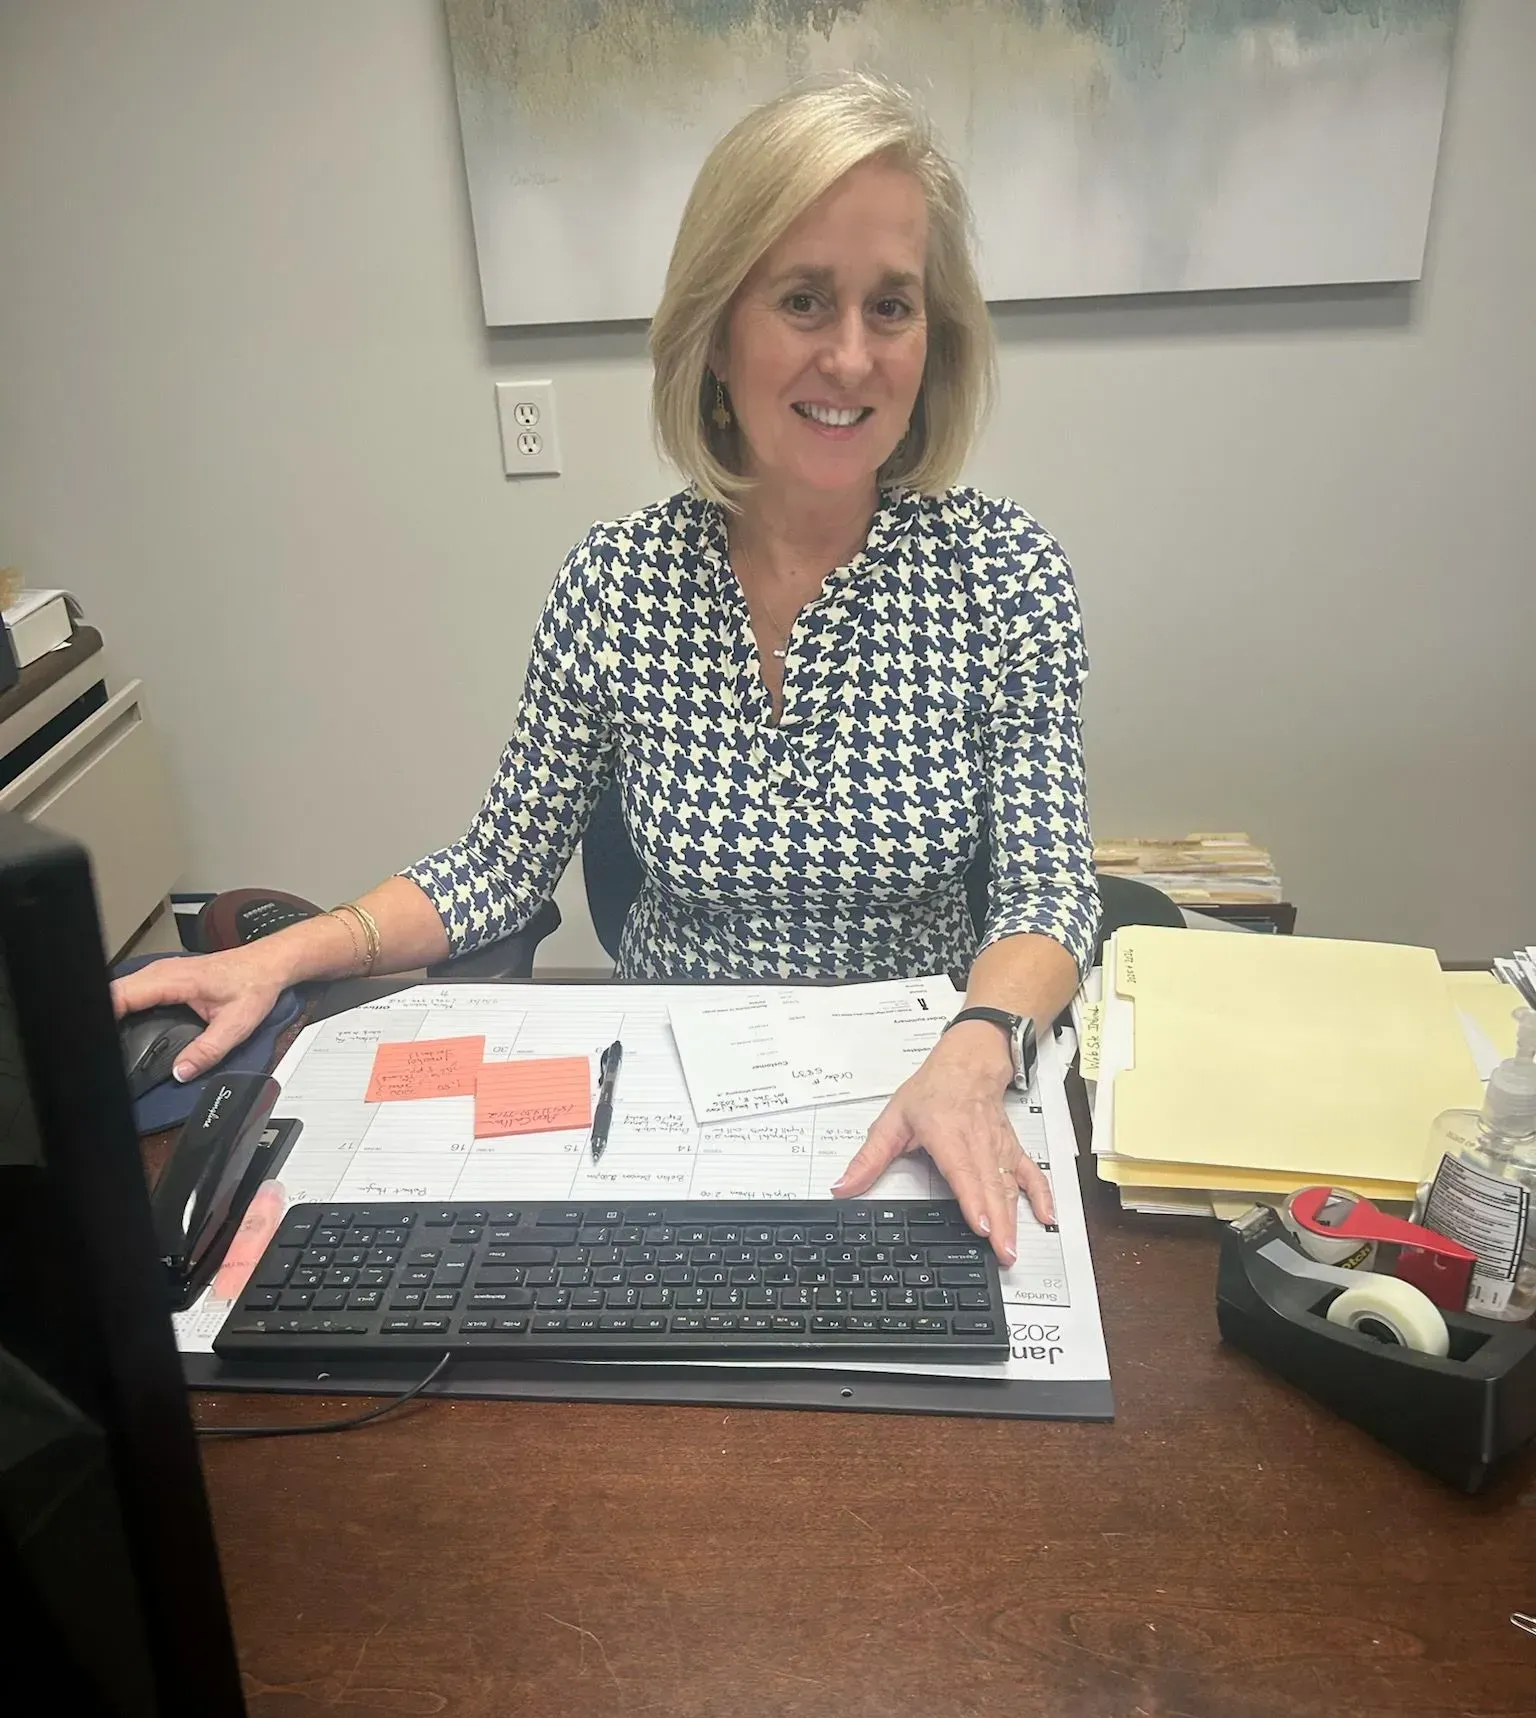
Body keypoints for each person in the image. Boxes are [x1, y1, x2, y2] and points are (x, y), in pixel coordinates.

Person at [115, 74, 1098, 1266]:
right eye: (802, 300)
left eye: (891, 307)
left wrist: (980, 1042)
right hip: (663, 1120)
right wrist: (280, 953)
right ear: (717, 331)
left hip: (927, 1108)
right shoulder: (618, 580)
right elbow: (496, 864)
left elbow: (1050, 896)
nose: (850, 356)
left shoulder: (1004, 575)